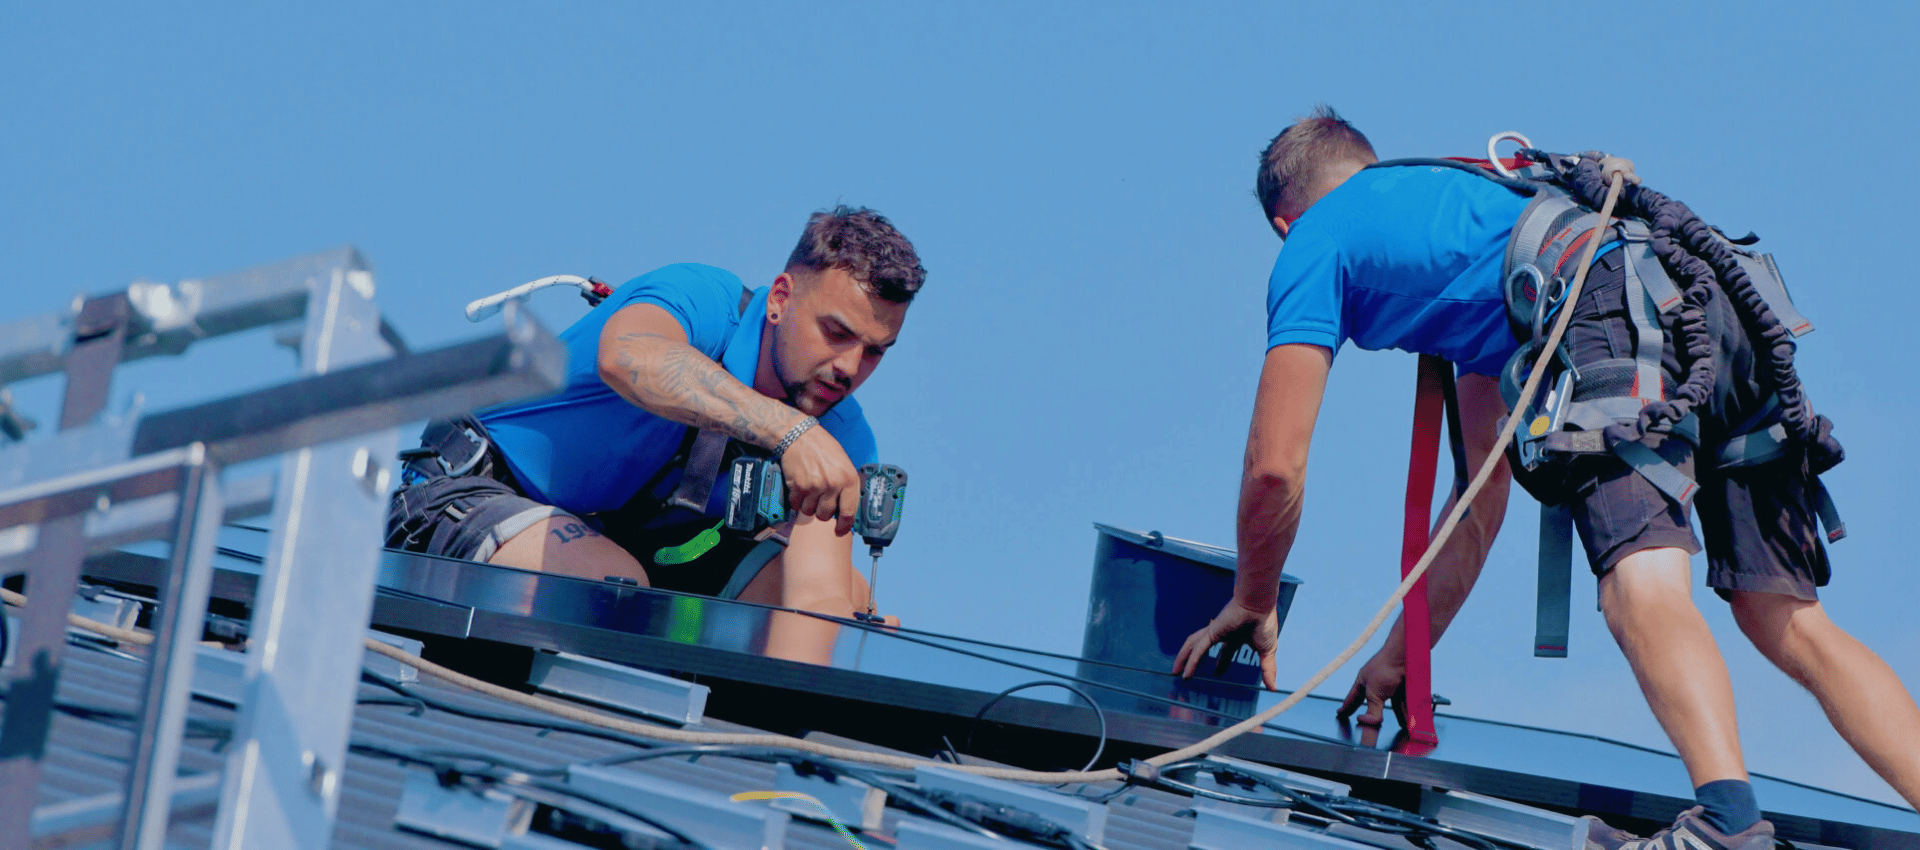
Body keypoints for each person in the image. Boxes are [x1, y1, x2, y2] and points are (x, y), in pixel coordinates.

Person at [1171, 106, 1920, 849]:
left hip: (1609, 305)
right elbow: (1478, 502)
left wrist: (1254, 597)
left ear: (1282, 222)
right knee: (1786, 616)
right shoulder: (1475, 215)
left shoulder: (1315, 237)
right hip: (1715, 301)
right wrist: (1401, 656)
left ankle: (1726, 824)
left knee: (1641, 582)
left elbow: (1274, 466)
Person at [387, 205, 923, 624]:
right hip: (474, 494)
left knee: (844, 603)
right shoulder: (703, 299)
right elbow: (627, 356)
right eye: (837, 333)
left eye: (876, 350)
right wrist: (788, 431)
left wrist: (839, 647)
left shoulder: (842, 437)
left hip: (628, 553)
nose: (850, 367)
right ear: (780, 299)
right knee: (612, 591)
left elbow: (814, 596)